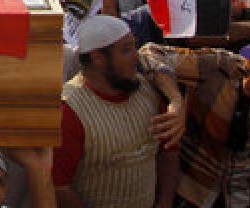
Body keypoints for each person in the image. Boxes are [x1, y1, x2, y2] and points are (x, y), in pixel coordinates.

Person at [139, 33, 250, 208]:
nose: (247, 83)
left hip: (240, 196)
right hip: (191, 190)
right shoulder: (219, 66)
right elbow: (149, 53)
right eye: (245, 71)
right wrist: (176, 100)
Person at [52, 16, 183, 208]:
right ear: (98, 58)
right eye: (126, 50)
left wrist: (164, 203)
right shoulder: (70, 110)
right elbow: (58, 185)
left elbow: (168, 154)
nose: (136, 57)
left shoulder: (149, 92)